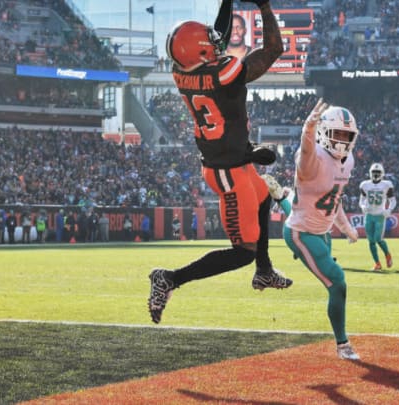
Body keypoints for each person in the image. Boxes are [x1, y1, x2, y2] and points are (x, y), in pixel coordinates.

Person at [148, 0, 291, 324]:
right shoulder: (222, 73)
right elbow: (273, 49)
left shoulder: (181, 69)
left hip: (231, 160)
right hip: (228, 172)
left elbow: (219, 39)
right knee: (243, 250)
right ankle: (169, 278)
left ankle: (265, 271)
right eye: (209, 44)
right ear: (200, 53)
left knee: (264, 197)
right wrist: (265, 7)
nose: (216, 44)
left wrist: (226, 2)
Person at [283, 99, 361, 360]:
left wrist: (346, 228)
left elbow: (334, 200)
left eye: (347, 136)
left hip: (323, 229)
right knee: (337, 282)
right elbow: (306, 155)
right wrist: (308, 129)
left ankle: (281, 197)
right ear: (322, 132)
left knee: (300, 205)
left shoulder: (347, 161)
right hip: (302, 232)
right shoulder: (312, 156)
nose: (342, 141)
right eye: (337, 134)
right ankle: (343, 345)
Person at [358, 163, 395, 271]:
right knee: (371, 241)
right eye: (374, 172)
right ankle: (377, 263)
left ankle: (387, 254)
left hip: (379, 215)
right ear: (370, 173)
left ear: (382, 173)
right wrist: (363, 206)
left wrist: (389, 210)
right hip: (369, 215)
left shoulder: (386, 185)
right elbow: (362, 199)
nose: (375, 174)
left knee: (378, 239)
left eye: (378, 172)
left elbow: (392, 200)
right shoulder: (365, 185)